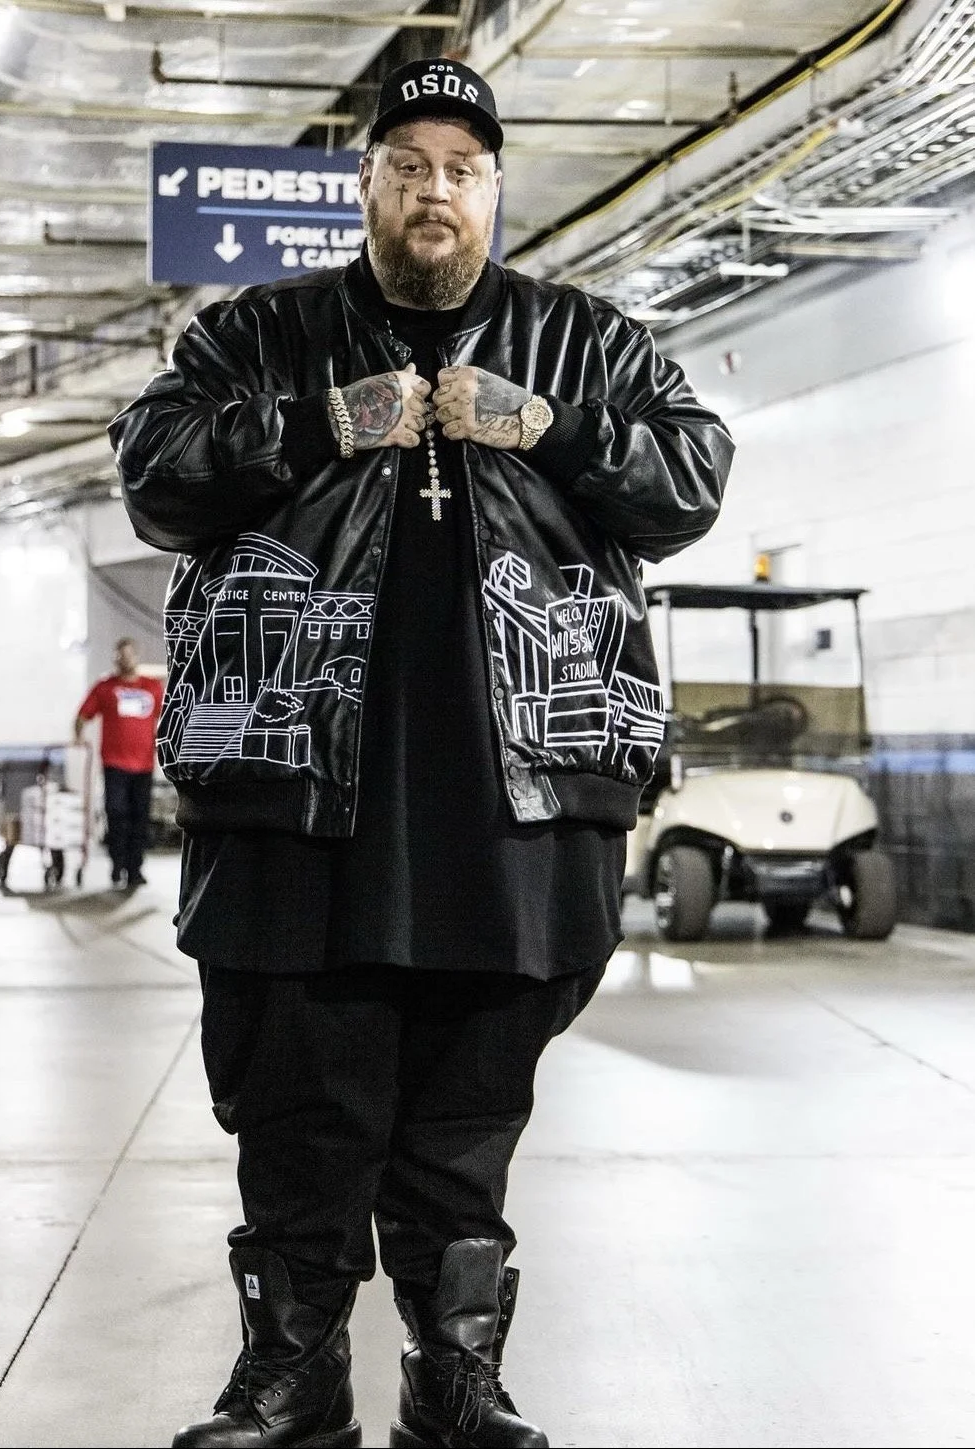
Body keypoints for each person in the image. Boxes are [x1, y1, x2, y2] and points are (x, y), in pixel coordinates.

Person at [109, 54, 734, 1449]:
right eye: (406, 170)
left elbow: (692, 477)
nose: (432, 192)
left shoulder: (585, 342)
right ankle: (291, 1377)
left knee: (467, 1118)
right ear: (366, 189)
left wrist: (548, 426)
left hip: (518, 808)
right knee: (297, 1111)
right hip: (292, 800)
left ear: (495, 191)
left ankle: (451, 1379)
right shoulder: (258, 335)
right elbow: (154, 473)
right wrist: (316, 424)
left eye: (459, 169)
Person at [74, 637, 163, 889]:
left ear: (136, 657)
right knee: (117, 813)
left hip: (144, 764)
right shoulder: (105, 688)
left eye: (128, 655)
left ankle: (135, 869)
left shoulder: (152, 687)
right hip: (115, 764)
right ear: (116, 659)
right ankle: (117, 864)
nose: (125, 660)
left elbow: (165, 717)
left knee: (140, 817)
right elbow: (83, 715)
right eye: (120, 656)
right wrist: (78, 736)